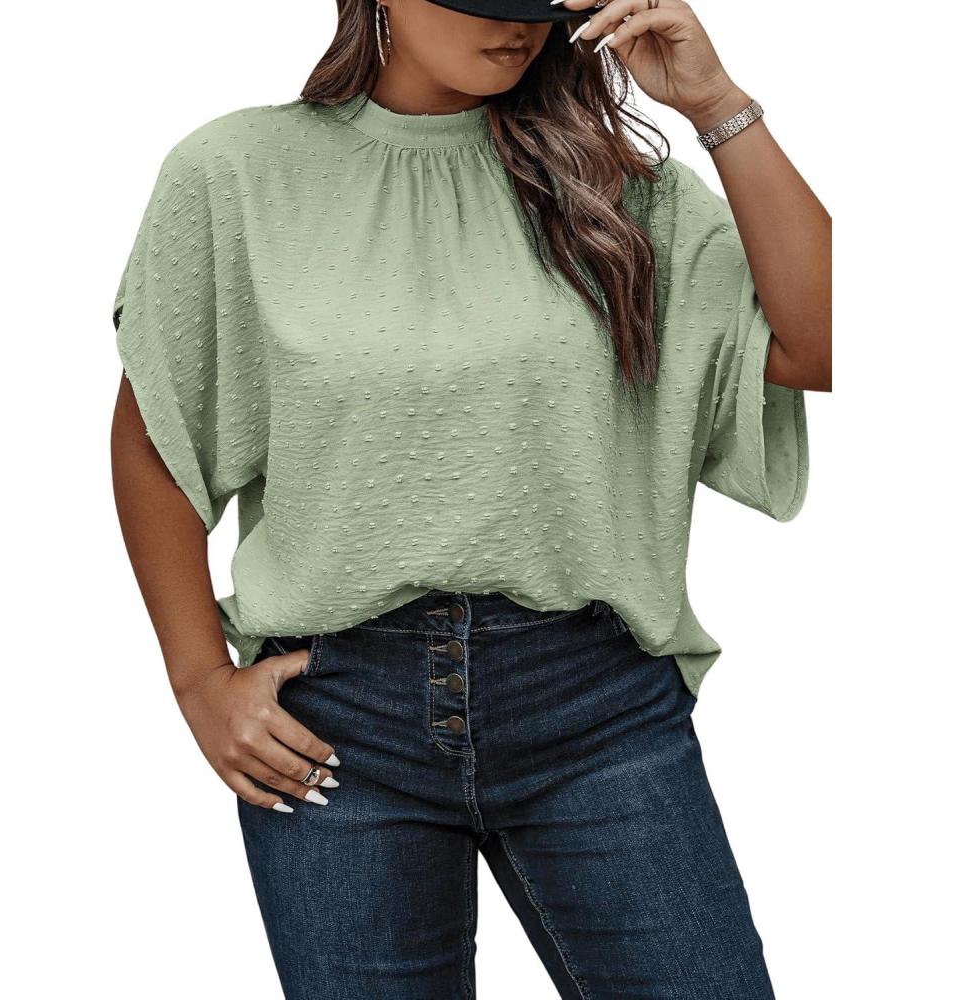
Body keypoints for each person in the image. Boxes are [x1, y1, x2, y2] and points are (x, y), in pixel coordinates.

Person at [109, 0, 831, 996]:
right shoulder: (235, 174)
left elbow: (825, 343)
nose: (517, 25)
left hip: (595, 710)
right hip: (337, 729)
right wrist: (198, 680)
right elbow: (158, 431)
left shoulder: (622, 191)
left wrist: (716, 105)